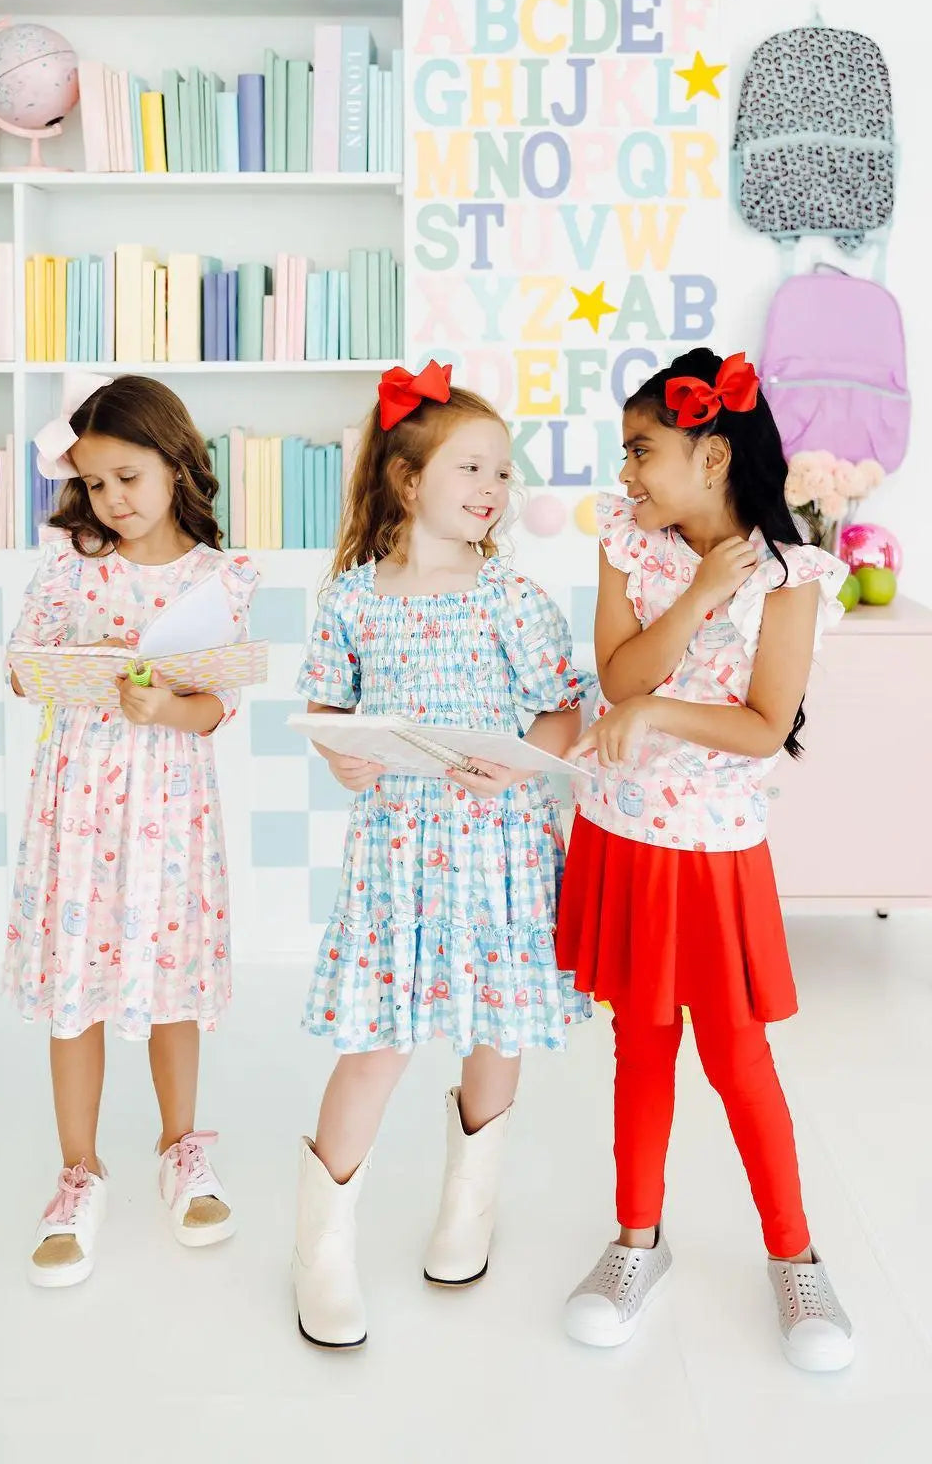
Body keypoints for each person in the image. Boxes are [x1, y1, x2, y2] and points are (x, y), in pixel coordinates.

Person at [556, 348, 854, 1372]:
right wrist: (687, 602)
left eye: (643, 450)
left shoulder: (790, 572)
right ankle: (637, 1237)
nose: (628, 471)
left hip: (714, 854)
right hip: (623, 832)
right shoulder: (626, 542)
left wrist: (656, 710)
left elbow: (766, 723)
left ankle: (795, 1254)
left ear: (713, 454)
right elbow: (614, 674)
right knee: (638, 1044)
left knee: (735, 1058)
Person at [292, 361, 594, 1348]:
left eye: (504, 473)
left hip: (498, 842)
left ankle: (469, 1205)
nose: (493, 489)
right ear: (407, 479)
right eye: (472, 467)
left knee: (493, 1024)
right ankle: (322, 1245)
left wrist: (522, 769)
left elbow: (560, 706)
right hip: (397, 851)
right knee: (376, 1043)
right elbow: (329, 712)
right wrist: (341, 753)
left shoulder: (509, 594)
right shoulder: (352, 600)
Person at [5, 372, 258, 1287]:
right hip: (78, 807)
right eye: (97, 483)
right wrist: (79, 669)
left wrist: (162, 704)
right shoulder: (73, 563)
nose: (113, 500)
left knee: (171, 979)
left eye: (129, 478)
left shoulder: (218, 576)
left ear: (177, 463)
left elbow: (218, 707)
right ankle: (78, 1171)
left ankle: (181, 1148)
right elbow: (23, 668)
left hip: (167, 813)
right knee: (76, 988)